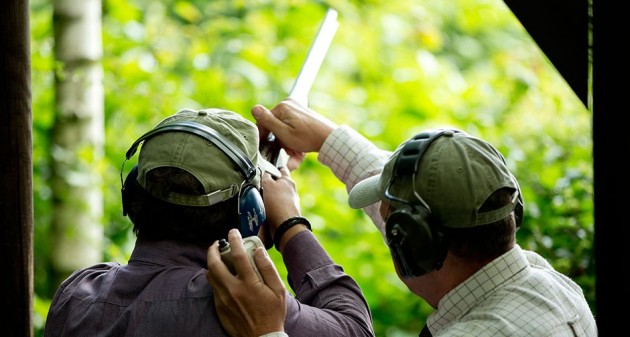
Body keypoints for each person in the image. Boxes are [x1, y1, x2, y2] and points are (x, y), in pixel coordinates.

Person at [205, 98, 598, 336]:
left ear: (413, 243)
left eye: (394, 227)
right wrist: (326, 138)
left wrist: (265, 331)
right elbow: (424, 199)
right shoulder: (546, 284)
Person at [44, 108, 375, 337]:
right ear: (251, 211)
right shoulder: (244, 308)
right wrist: (289, 223)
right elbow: (354, 326)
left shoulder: (78, 295)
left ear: (132, 195)